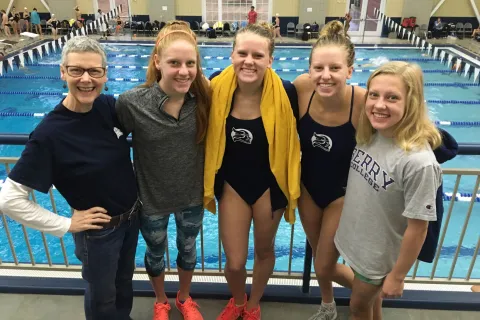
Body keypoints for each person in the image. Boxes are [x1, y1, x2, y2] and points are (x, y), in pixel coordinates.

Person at [0, 36, 140, 320]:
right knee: (103, 298)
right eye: (77, 70)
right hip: (99, 234)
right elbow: (10, 200)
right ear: (63, 72)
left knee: (124, 285)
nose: (86, 79)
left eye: (94, 71)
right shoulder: (49, 133)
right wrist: (66, 224)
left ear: (105, 74)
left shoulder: (106, 107)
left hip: (132, 219)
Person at [204, 23, 301, 320]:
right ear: (231, 54)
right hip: (233, 184)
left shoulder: (286, 92)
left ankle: (254, 303)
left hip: (269, 187)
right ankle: (237, 299)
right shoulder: (215, 87)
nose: (249, 61)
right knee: (234, 263)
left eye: (257, 55)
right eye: (242, 53)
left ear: (269, 60)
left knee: (263, 251)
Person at [115, 21, 211, 320]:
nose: (183, 71)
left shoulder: (205, 102)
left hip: (192, 198)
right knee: (155, 253)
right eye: (174, 63)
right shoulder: (132, 103)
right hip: (151, 200)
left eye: (190, 63)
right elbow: (108, 146)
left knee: (188, 249)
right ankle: (160, 300)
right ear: (157, 62)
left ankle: (183, 298)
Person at [334, 61, 443, 320]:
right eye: (374, 95)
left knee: (358, 309)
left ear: (412, 103)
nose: (379, 105)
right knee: (371, 306)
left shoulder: (418, 162)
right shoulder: (373, 133)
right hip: (359, 243)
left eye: (392, 98)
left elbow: (419, 228)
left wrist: (397, 276)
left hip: (378, 257)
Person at [293, 20, 368, 320]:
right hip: (308, 191)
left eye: (335, 69)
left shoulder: (362, 102)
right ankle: (328, 306)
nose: (325, 76)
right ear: (309, 69)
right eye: (318, 68)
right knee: (317, 257)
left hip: (342, 194)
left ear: (349, 70)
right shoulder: (301, 89)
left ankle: (370, 296)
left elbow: (400, 122)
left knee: (324, 264)